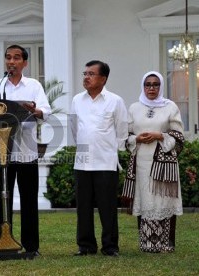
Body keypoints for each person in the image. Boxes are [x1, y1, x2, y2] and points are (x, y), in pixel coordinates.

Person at [0, 44, 51, 256]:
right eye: (8, 57)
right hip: (1, 152)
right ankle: (4, 243)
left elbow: (46, 112)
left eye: (16, 58)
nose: (11, 61)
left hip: (26, 151)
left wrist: (34, 110)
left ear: (25, 63)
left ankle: (32, 247)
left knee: (29, 199)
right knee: (3, 198)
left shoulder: (33, 86)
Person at [69, 60, 128, 257]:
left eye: (91, 74)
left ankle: (110, 246)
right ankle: (85, 246)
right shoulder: (77, 100)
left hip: (105, 162)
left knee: (107, 207)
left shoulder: (115, 101)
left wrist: (109, 149)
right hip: (83, 162)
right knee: (83, 207)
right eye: (84, 73)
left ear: (103, 78)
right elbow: (75, 130)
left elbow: (122, 132)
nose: (86, 77)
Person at [122, 71, 184, 253]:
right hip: (141, 162)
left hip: (163, 165)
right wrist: (138, 139)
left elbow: (179, 136)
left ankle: (166, 243)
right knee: (146, 200)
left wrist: (159, 135)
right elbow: (126, 136)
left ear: (161, 86)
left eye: (155, 84)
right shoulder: (134, 108)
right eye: (147, 84)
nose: (151, 88)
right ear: (143, 86)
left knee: (163, 201)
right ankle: (147, 243)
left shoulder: (170, 107)